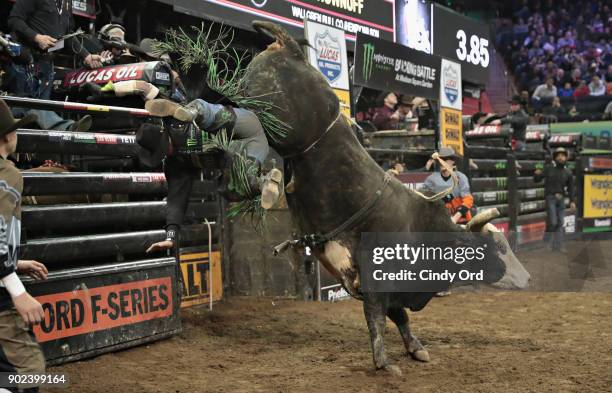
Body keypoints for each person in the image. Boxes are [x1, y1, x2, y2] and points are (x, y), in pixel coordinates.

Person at [140, 97, 282, 254]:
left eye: (165, 147)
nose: (168, 152)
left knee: (212, 117)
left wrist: (188, 112)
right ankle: (264, 183)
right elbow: (176, 200)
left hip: (243, 127)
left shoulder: (175, 124)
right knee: (231, 189)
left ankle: (193, 111)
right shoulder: (176, 164)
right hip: (249, 149)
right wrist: (170, 237)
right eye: (163, 152)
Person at [0, 99, 48, 393]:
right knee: (29, 372)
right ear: (6, 136)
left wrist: (14, 263)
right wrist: (17, 290)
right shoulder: (7, 175)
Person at [5, 0, 102, 132]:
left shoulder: (66, 3)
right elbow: (14, 20)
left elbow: (68, 35)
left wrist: (86, 55)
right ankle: (66, 128)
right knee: (26, 105)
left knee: (41, 107)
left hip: (47, 64)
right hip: (25, 61)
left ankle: (49, 143)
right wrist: (36, 37)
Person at [534, 147, 576, 253]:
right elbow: (537, 179)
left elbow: (571, 188)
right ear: (555, 157)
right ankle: (546, 242)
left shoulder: (568, 172)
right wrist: (537, 174)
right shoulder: (549, 168)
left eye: (563, 155)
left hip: (561, 199)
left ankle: (558, 246)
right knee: (553, 221)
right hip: (550, 198)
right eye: (559, 155)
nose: (561, 157)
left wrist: (572, 201)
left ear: (566, 158)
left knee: (560, 222)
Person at [421, 147, 474, 225]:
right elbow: (424, 197)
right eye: (440, 159)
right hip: (441, 222)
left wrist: (455, 218)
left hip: (461, 221)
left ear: (453, 161)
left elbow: (468, 200)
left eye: (445, 159)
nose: (442, 162)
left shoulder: (461, 177)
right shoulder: (431, 179)